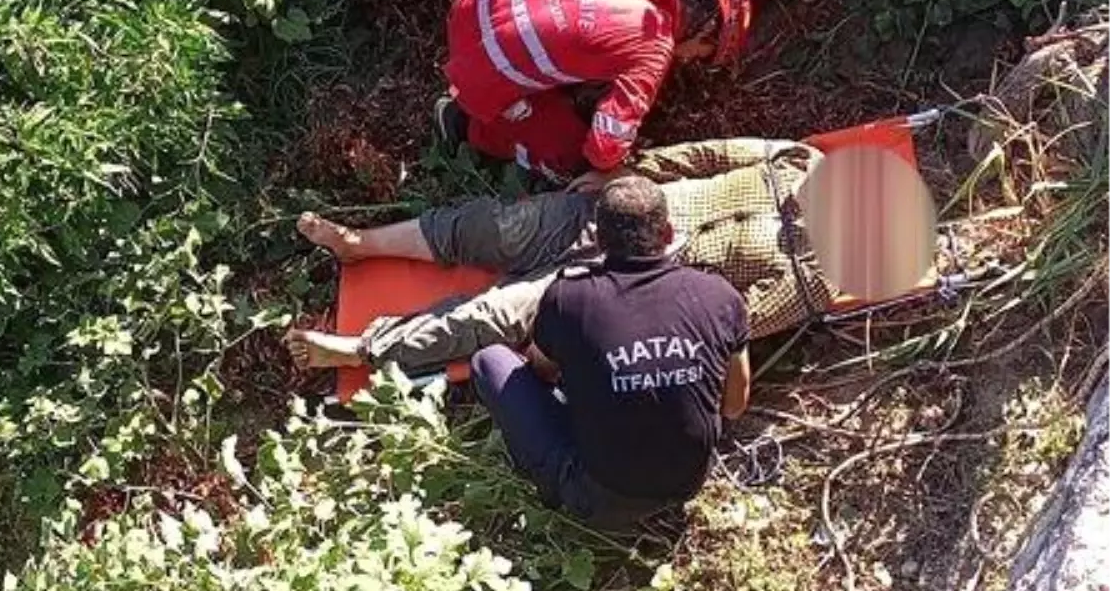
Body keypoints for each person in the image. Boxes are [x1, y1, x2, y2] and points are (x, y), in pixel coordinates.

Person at [287, 135, 832, 374]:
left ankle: (361, 348)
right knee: (495, 227)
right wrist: (625, 173)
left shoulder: (815, 276)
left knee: (492, 316)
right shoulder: (794, 160)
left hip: (627, 277)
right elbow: (702, 156)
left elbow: (727, 323)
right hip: (611, 213)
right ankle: (362, 245)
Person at [469, 176, 751, 527]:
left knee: (489, 361)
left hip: (600, 498)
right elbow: (735, 405)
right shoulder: (720, 297)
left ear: (598, 241)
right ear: (668, 233)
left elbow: (541, 371)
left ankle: (556, 482)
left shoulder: (569, 298)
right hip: (688, 482)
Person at [436, 0, 752, 181]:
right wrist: (614, 172)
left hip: (472, 6)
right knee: (571, 155)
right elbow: (604, 147)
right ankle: (462, 122)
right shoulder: (653, 49)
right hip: (479, 75)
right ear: (705, 36)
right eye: (703, 55)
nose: (691, 60)